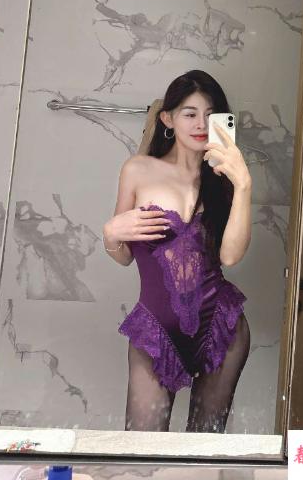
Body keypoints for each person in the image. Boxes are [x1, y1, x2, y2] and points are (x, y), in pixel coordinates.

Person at [102, 70, 252, 433]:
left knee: (204, 448)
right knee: (141, 450)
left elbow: (230, 257)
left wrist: (244, 184)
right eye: (190, 113)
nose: (201, 124)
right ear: (168, 119)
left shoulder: (224, 179)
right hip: (155, 331)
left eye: (210, 114)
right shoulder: (138, 170)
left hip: (221, 327)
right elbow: (123, 255)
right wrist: (110, 233)